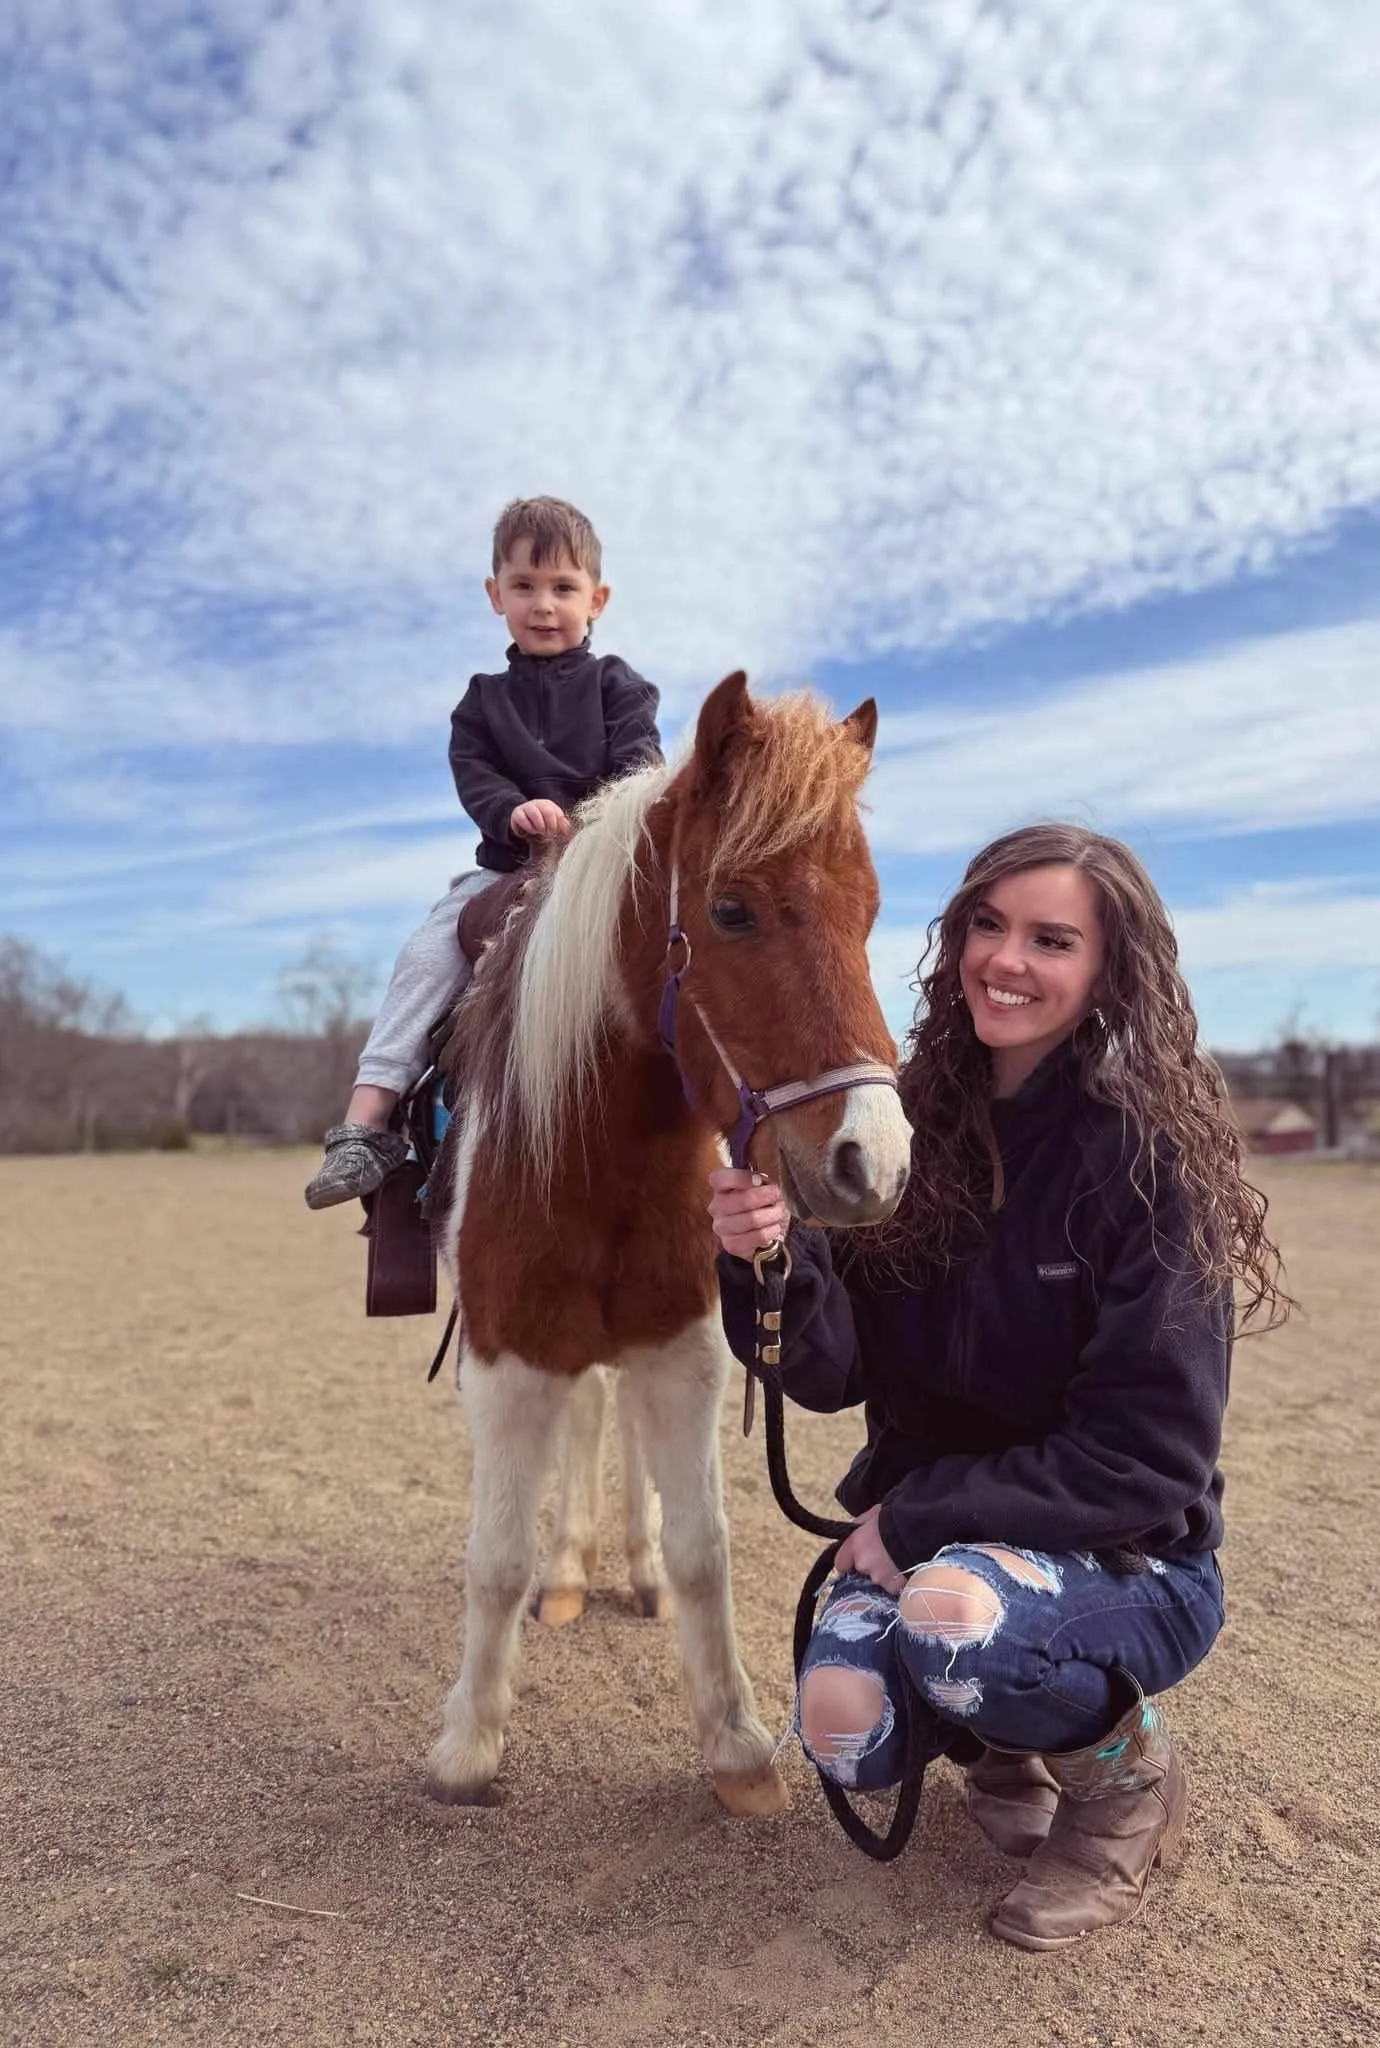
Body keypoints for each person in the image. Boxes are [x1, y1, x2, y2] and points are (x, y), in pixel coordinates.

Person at [708, 824, 1289, 1951]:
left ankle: (1125, 1782)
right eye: (988, 924)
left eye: (1050, 938)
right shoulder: (915, 1124)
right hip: (950, 1547)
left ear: (1106, 970)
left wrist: (923, 1514)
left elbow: (1148, 1459)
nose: (1006, 959)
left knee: (955, 1625)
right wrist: (768, 1258)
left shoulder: (1144, 1160)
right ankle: (1002, 1741)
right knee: (841, 1726)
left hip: (1131, 1557)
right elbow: (830, 1372)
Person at [305, 497, 662, 1209]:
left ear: (598, 599)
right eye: (524, 587)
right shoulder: (481, 701)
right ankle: (367, 1121)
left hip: (600, 871)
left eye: (563, 588)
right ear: (495, 595)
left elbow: (641, 767)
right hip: (505, 866)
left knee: (686, 954)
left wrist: (591, 824)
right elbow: (476, 777)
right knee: (427, 954)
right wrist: (511, 810)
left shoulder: (619, 687)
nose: (543, 605)